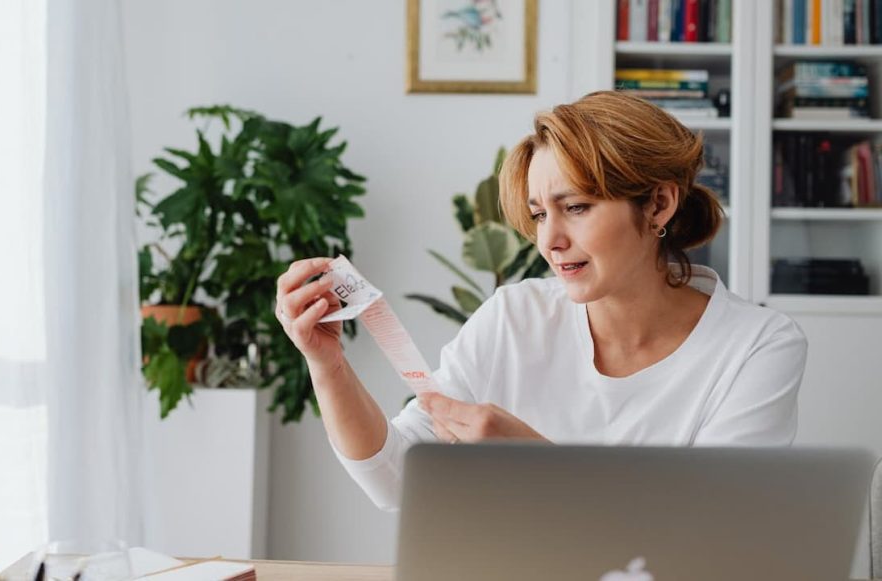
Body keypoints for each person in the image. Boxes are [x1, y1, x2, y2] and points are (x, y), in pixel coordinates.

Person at [273, 91, 808, 511]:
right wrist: (328, 365)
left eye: (575, 207)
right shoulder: (514, 317)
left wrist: (535, 463)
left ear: (659, 204)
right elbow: (396, 481)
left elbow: (716, 528)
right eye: (537, 214)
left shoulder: (757, 345)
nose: (548, 240)